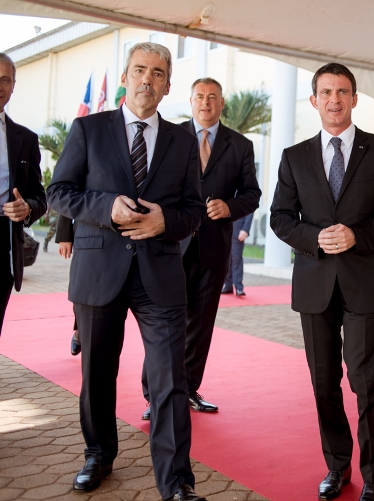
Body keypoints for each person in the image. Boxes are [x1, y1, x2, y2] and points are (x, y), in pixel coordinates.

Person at [47, 42, 207, 501]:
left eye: (158, 73)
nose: (147, 80)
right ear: (125, 76)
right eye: (140, 70)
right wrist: (104, 207)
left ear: (167, 85)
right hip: (99, 271)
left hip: (159, 274)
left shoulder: (181, 140)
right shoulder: (88, 129)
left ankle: (176, 482)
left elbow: (194, 210)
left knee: (170, 379)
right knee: (98, 372)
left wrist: (165, 222)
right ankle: (98, 453)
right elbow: (59, 192)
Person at [270, 62, 374, 501]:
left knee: (365, 381)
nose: (334, 99)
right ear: (314, 100)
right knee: (324, 382)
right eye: (326, 92)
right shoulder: (294, 156)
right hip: (314, 286)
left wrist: (357, 236)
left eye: (343, 91)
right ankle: (337, 466)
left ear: (354, 98)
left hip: (365, 283)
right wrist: (315, 239)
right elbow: (279, 218)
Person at [141, 77, 261, 420]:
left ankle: (189, 389)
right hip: (169, 246)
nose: (205, 103)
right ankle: (156, 396)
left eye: (212, 97)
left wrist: (230, 207)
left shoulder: (240, 145)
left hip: (213, 247)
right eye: (199, 97)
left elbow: (252, 193)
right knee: (164, 322)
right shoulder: (169, 136)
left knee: (201, 323)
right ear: (190, 101)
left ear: (222, 103)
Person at [0, 52, 47, 337]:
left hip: (2, 247)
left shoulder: (26, 139)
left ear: (14, 85)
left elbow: (39, 197)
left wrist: (26, 208)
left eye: (5, 79)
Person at [55, 214, 80, 356]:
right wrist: (64, 234)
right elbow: (69, 193)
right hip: (90, 235)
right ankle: (81, 331)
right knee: (84, 288)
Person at [223, 213, 253, 296]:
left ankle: (239, 287)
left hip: (238, 230)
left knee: (236, 258)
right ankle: (228, 286)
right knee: (227, 258)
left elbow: (249, 212)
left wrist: (245, 229)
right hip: (225, 229)